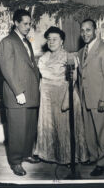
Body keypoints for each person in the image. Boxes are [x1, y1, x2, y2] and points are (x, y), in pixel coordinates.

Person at [34, 26, 90, 165]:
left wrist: (67, 99)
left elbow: (74, 79)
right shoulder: (44, 57)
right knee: (50, 127)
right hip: (47, 99)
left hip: (65, 95)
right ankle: (50, 155)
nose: (51, 42)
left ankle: (67, 157)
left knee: (65, 127)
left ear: (62, 41)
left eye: (55, 39)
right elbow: (42, 80)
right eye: (49, 39)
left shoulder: (69, 57)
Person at [0, 9, 40, 176]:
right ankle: (15, 162)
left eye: (30, 24)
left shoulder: (26, 41)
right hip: (18, 94)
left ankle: (27, 154)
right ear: (16, 23)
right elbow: (7, 69)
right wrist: (18, 92)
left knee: (29, 128)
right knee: (16, 130)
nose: (28, 27)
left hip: (31, 93)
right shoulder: (7, 41)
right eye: (25, 23)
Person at [78, 19, 104, 176]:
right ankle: (94, 156)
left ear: (95, 31)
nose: (84, 33)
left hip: (100, 100)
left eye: (88, 30)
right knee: (90, 132)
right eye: (82, 30)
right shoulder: (82, 51)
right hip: (86, 99)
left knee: (103, 133)